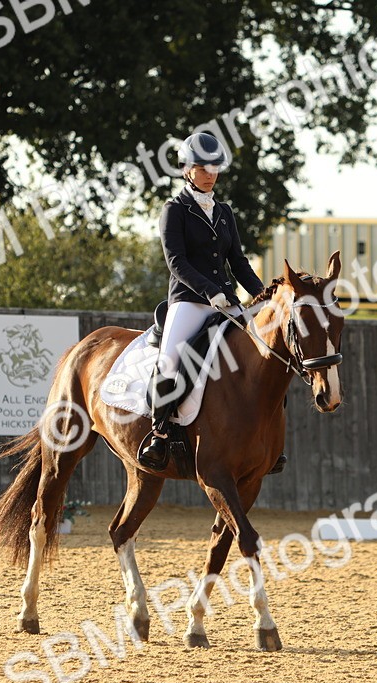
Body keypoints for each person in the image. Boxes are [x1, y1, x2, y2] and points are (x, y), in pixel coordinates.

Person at [137, 131, 267, 471]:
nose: (210, 173)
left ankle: (266, 437)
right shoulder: (174, 210)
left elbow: (237, 261)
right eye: (202, 167)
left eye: (215, 168)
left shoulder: (224, 211)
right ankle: (160, 432)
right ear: (186, 169)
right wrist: (211, 291)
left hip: (227, 301)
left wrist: (261, 293)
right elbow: (176, 262)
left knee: (265, 355)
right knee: (171, 359)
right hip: (190, 300)